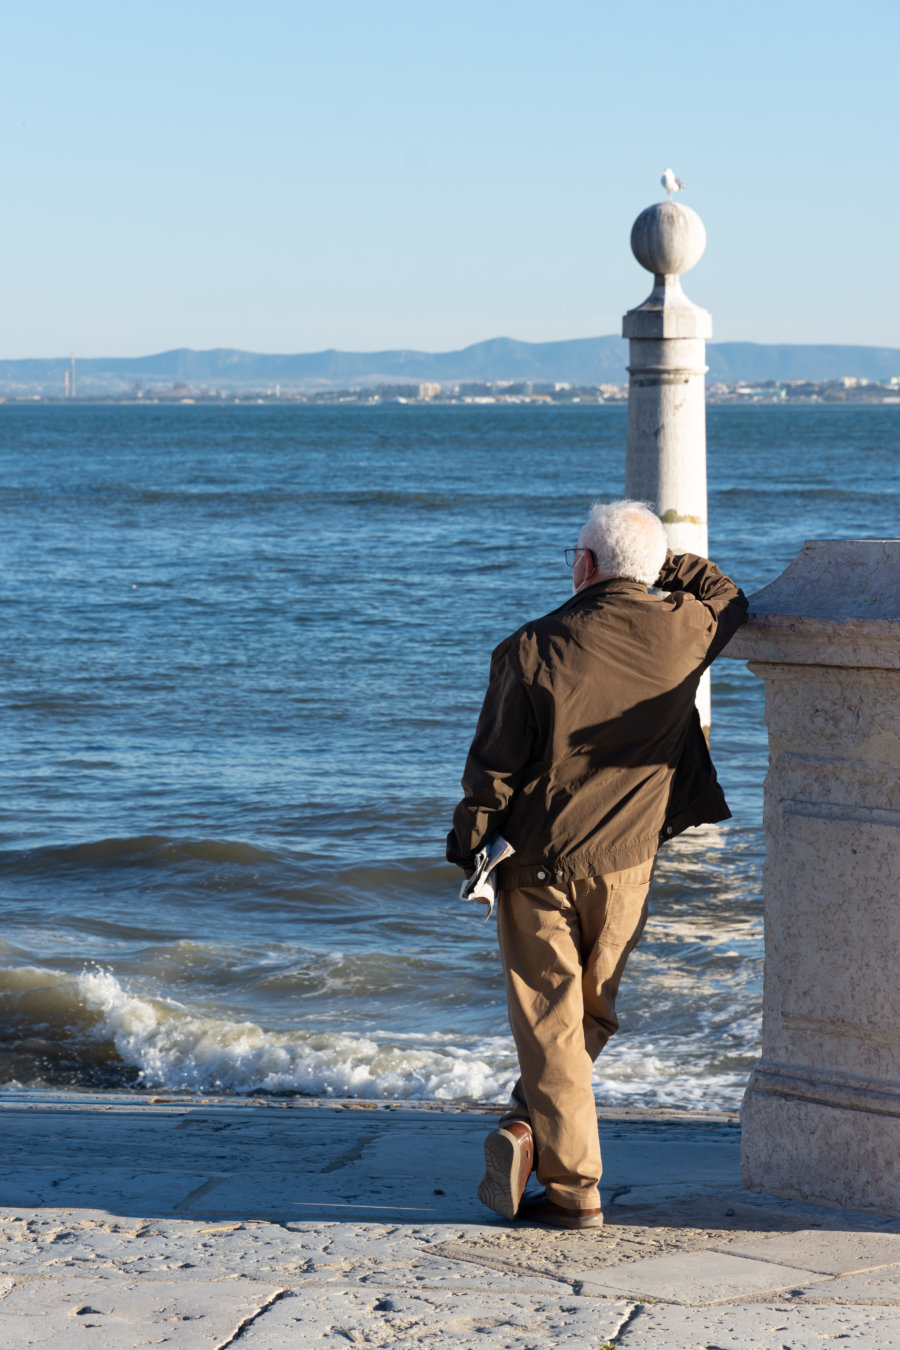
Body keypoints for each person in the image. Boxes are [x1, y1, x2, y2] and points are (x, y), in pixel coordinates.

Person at [447, 500, 747, 1229]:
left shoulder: (530, 648)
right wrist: (657, 564)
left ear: (583, 566)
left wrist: (469, 849)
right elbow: (727, 593)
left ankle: (575, 1187)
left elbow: (492, 775)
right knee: (590, 1014)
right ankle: (524, 1125)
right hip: (628, 866)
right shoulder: (685, 630)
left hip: (538, 863)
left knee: (551, 1021)